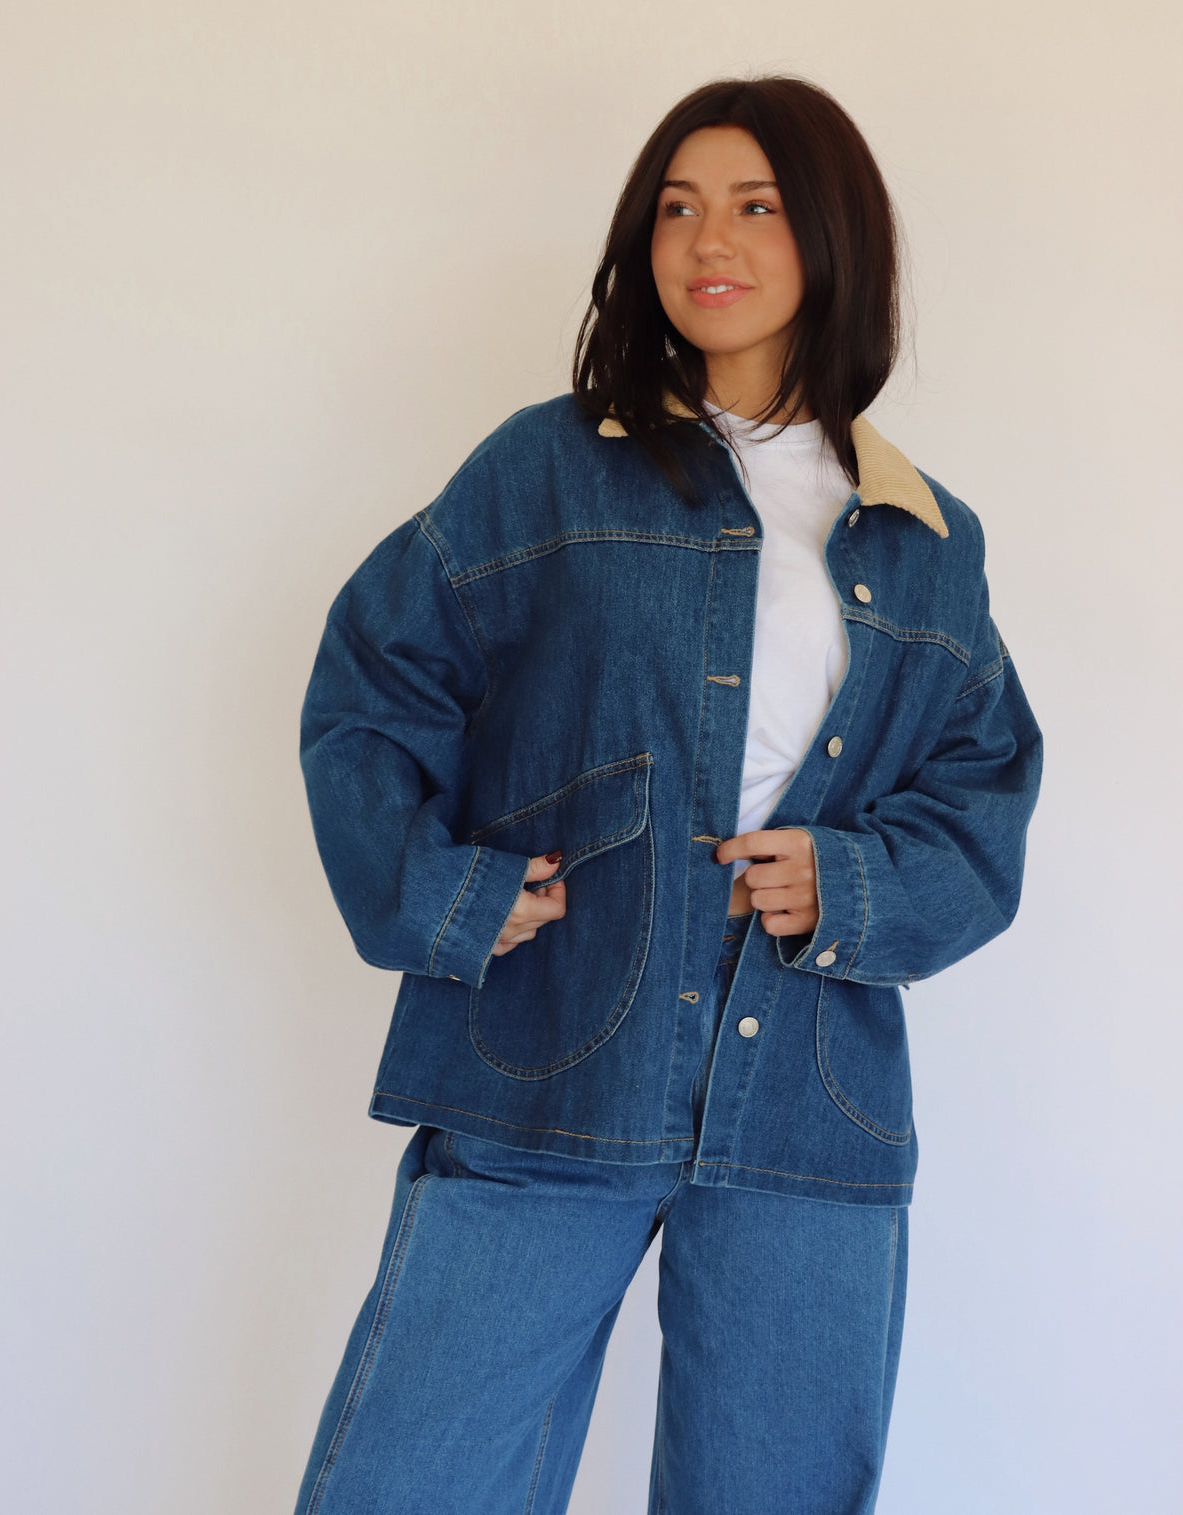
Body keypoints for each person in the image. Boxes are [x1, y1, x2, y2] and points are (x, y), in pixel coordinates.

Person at [291, 75, 1042, 1515]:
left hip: (809, 1102)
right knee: (412, 1482)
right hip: (551, 1061)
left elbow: (986, 789)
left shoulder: (929, 540)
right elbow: (373, 684)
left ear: (831, 238)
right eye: (677, 207)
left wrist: (857, 885)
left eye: (756, 205)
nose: (710, 239)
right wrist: (447, 894)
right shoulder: (547, 471)